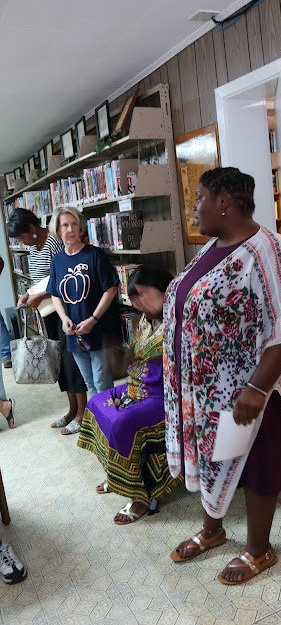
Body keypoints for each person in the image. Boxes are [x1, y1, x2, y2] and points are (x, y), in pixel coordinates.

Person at [163, 167, 281, 585]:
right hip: (208, 388)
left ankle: (259, 548)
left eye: (198, 198)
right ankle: (213, 530)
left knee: (257, 464)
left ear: (223, 202)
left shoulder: (269, 251)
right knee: (213, 456)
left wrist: (257, 387)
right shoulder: (213, 246)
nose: (194, 208)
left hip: (254, 388)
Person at [78, 265, 180, 524]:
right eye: (133, 297)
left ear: (164, 288)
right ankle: (118, 475)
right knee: (97, 403)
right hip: (139, 385)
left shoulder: (179, 321)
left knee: (123, 422)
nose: (137, 303)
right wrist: (122, 359)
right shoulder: (146, 320)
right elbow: (137, 356)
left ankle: (140, 496)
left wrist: (131, 360)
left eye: (143, 294)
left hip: (165, 396)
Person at [6, 208, 87, 435]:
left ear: (32, 229)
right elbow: (38, 279)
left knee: (72, 361)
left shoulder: (53, 242)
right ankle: (71, 410)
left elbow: (61, 275)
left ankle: (83, 412)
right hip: (47, 312)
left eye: (21, 236)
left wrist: (38, 296)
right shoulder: (33, 249)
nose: (21, 241)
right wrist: (28, 294)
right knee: (58, 359)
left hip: (64, 309)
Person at [47, 206, 120, 416]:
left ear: (80, 228)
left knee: (102, 381)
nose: (70, 229)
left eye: (74, 224)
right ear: (58, 231)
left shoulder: (94, 255)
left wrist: (94, 319)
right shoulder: (57, 261)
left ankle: (113, 426)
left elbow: (111, 288)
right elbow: (54, 294)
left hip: (99, 330)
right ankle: (101, 424)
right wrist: (63, 319)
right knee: (90, 383)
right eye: (65, 225)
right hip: (74, 335)